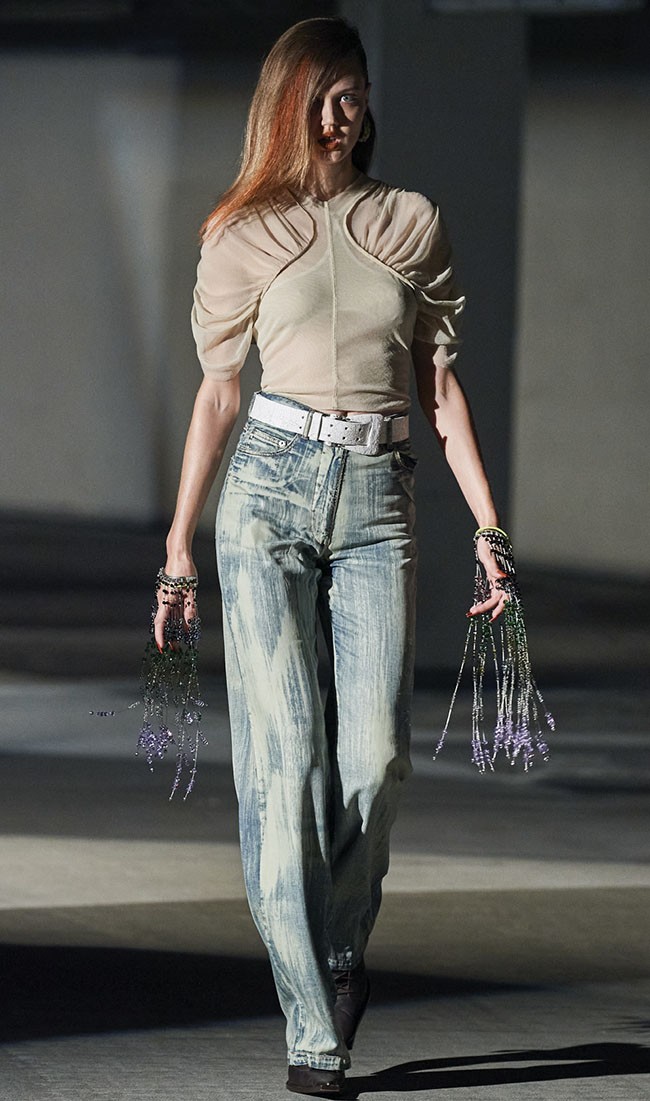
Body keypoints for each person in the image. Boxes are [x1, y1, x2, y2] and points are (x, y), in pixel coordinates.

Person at [153, 16, 509, 1098]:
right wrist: (177, 546)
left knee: (377, 759)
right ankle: (314, 1032)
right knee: (285, 761)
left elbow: (439, 388)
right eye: (323, 97)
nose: (342, 115)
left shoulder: (409, 221)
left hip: (378, 499)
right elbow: (218, 396)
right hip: (265, 494)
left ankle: (342, 942)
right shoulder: (242, 233)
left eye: (353, 95)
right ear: (287, 105)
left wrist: (490, 531)